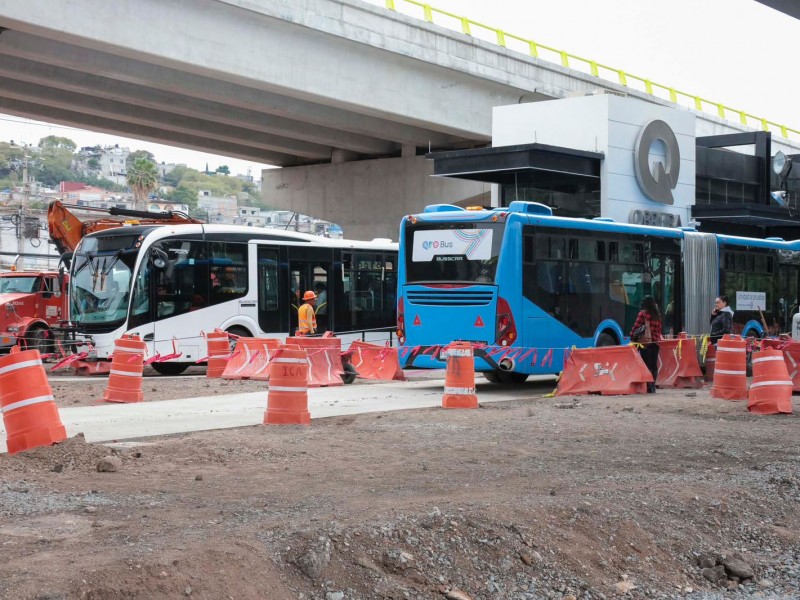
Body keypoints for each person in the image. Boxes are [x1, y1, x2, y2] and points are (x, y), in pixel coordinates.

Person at [630, 295, 662, 393]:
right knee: (653, 365)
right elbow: (659, 329)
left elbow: (636, 327)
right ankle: (653, 386)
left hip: (645, 343)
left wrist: (631, 336)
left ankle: (649, 386)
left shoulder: (643, 314)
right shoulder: (657, 314)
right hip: (656, 343)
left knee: (647, 365)